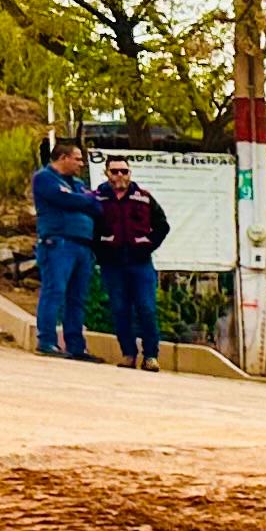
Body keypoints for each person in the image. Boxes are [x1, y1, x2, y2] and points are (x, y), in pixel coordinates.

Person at [93, 155, 170, 371]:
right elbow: (90, 228)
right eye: (114, 171)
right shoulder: (97, 199)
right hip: (112, 265)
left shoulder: (143, 197)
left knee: (146, 308)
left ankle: (151, 356)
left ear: (130, 173)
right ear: (107, 173)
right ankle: (128, 354)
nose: (120, 175)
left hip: (140, 263)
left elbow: (162, 226)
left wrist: (147, 245)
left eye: (124, 171)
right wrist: (100, 251)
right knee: (120, 309)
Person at [27, 139, 100, 361]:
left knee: (77, 297)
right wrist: (84, 200)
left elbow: (96, 206)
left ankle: (76, 346)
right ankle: (47, 341)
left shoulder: (77, 183)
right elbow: (64, 199)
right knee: (54, 291)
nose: (81, 164)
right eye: (77, 159)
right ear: (63, 158)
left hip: (83, 245)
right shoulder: (44, 178)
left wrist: (82, 200)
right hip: (58, 243)